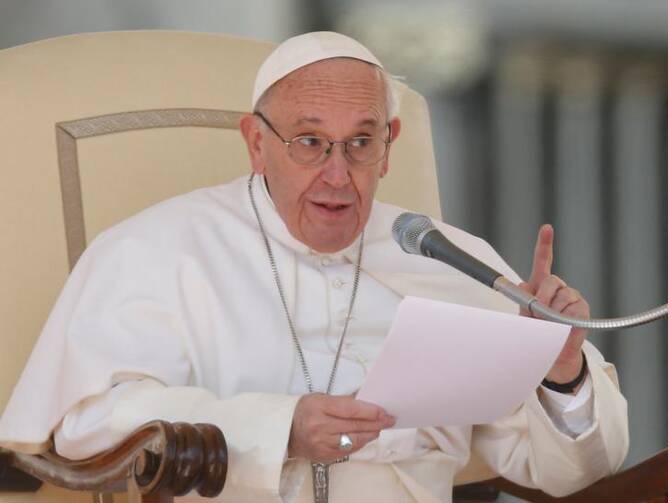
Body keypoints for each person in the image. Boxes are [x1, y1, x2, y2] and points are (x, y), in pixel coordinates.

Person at [0, 32, 628, 502]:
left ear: (389, 148)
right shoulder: (157, 249)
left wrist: (561, 373)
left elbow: (566, 473)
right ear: (256, 143)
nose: (337, 173)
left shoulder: (450, 261)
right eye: (308, 141)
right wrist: (280, 429)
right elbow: (84, 424)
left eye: (361, 142)